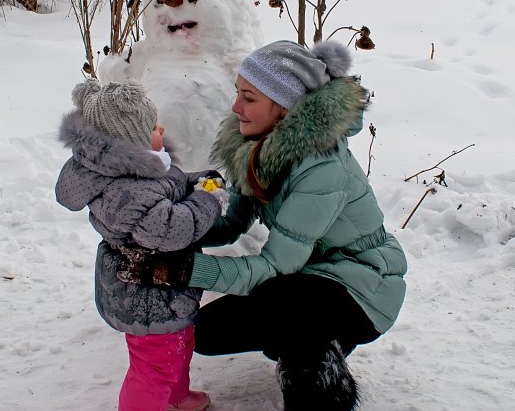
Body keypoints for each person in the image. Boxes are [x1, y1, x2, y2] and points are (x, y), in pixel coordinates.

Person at [118, 40, 408, 411]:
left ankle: (318, 374)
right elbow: (231, 225)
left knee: (289, 306)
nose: (236, 107)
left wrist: (184, 271)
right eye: (237, 93)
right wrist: (174, 225)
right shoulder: (258, 147)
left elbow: (275, 267)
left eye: (249, 98)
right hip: (311, 276)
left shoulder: (323, 169)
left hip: (365, 285)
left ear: (284, 107)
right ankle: (308, 338)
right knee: (207, 333)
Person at [55, 78, 224, 411]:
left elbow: (172, 187)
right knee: (155, 367)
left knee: (178, 345)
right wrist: (208, 199)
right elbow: (174, 228)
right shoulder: (128, 192)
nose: (161, 127)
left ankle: (176, 396)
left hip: (161, 289)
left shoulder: (142, 172)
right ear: (132, 141)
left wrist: (199, 181)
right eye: (153, 125)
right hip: (148, 295)